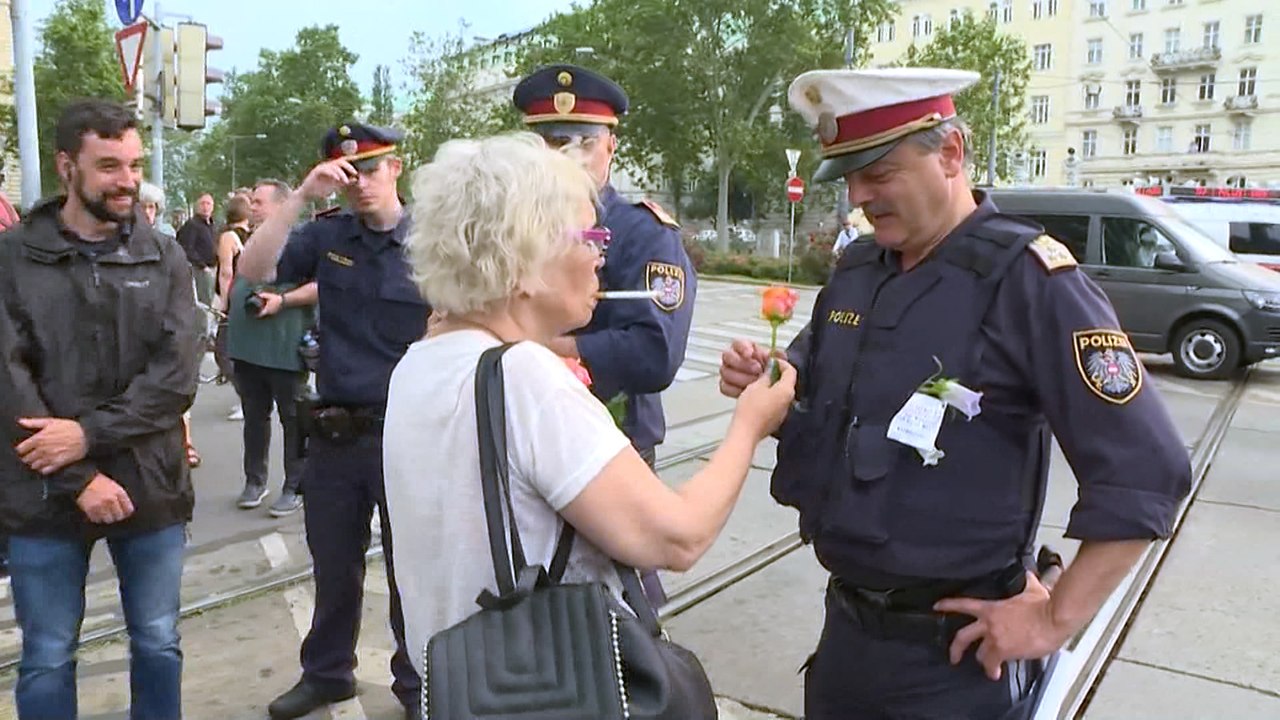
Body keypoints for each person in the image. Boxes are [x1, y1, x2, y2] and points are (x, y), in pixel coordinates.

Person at [717, 68, 1193, 719]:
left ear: (950, 153)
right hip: (847, 642)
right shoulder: (860, 272)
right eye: (849, 176)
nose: (859, 195)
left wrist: (1055, 619)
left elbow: (1147, 470)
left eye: (878, 173)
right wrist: (769, 385)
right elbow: (812, 382)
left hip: (955, 669)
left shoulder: (1030, 280)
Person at [383, 130, 796, 686]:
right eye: (588, 236)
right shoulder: (527, 379)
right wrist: (750, 422)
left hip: (465, 686)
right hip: (548, 688)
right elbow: (677, 536)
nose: (602, 253)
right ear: (524, 258)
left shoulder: (418, 361)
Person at [0, 99, 201, 720]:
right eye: (109, 165)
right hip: (42, 495)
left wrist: (85, 436)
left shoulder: (163, 256)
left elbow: (176, 378)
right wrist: (77, 477)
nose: (127, 180)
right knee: (48, 656)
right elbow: (8, 382)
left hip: (152, 486)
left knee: (158, 642)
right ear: (67, 167)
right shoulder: (11, 258)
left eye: (133, 164)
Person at [237, 123, 428, 720]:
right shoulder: (328, 234)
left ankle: (418, 684)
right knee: (333, 564)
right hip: (338, 431)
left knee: (413, 572)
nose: (360, 184)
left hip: (410, 434)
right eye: (348, 175)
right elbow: (253, 269)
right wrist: (300, 195)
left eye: (371, 169)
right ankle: (327, 674)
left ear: (396, 168)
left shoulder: (434, 236)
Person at [512, 64, 697, 605]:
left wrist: (532, 350)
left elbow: (653, 354)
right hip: (522, 442)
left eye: (580, 143)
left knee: (625, 617)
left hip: (609, 446)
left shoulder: (642, 234)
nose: (562, 158)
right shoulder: (512, 230)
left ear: (609, 146)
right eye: (547, 143)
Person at [225, 179, 316, 516]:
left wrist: (283, 300)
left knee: (295, 420)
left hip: (285, 348)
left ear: (282, 205)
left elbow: (322, 286)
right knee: (254, 418)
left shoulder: (305, 240)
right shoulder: (252, 239)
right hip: (247, 348)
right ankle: (254, 481)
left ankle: (295, 486)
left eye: (259, 201)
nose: (253, 207)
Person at [140, 181, 204, 470]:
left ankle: (185, 442)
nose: (147, 213)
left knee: (176, 391)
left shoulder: (168, 249)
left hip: (166, 333)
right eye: (141, 207)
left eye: (152, 207)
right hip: (133, 339)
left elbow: (184, 299)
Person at [177, 192, 217, 305]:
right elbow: (186, 248)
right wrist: (202, 266)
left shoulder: (213, 226)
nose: (205, 207)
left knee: (212, 300)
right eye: (202, 204)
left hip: (213, 269)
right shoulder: (191, 225)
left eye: (208, 204)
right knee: (204, 301)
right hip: (199, 270)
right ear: (197, 206)